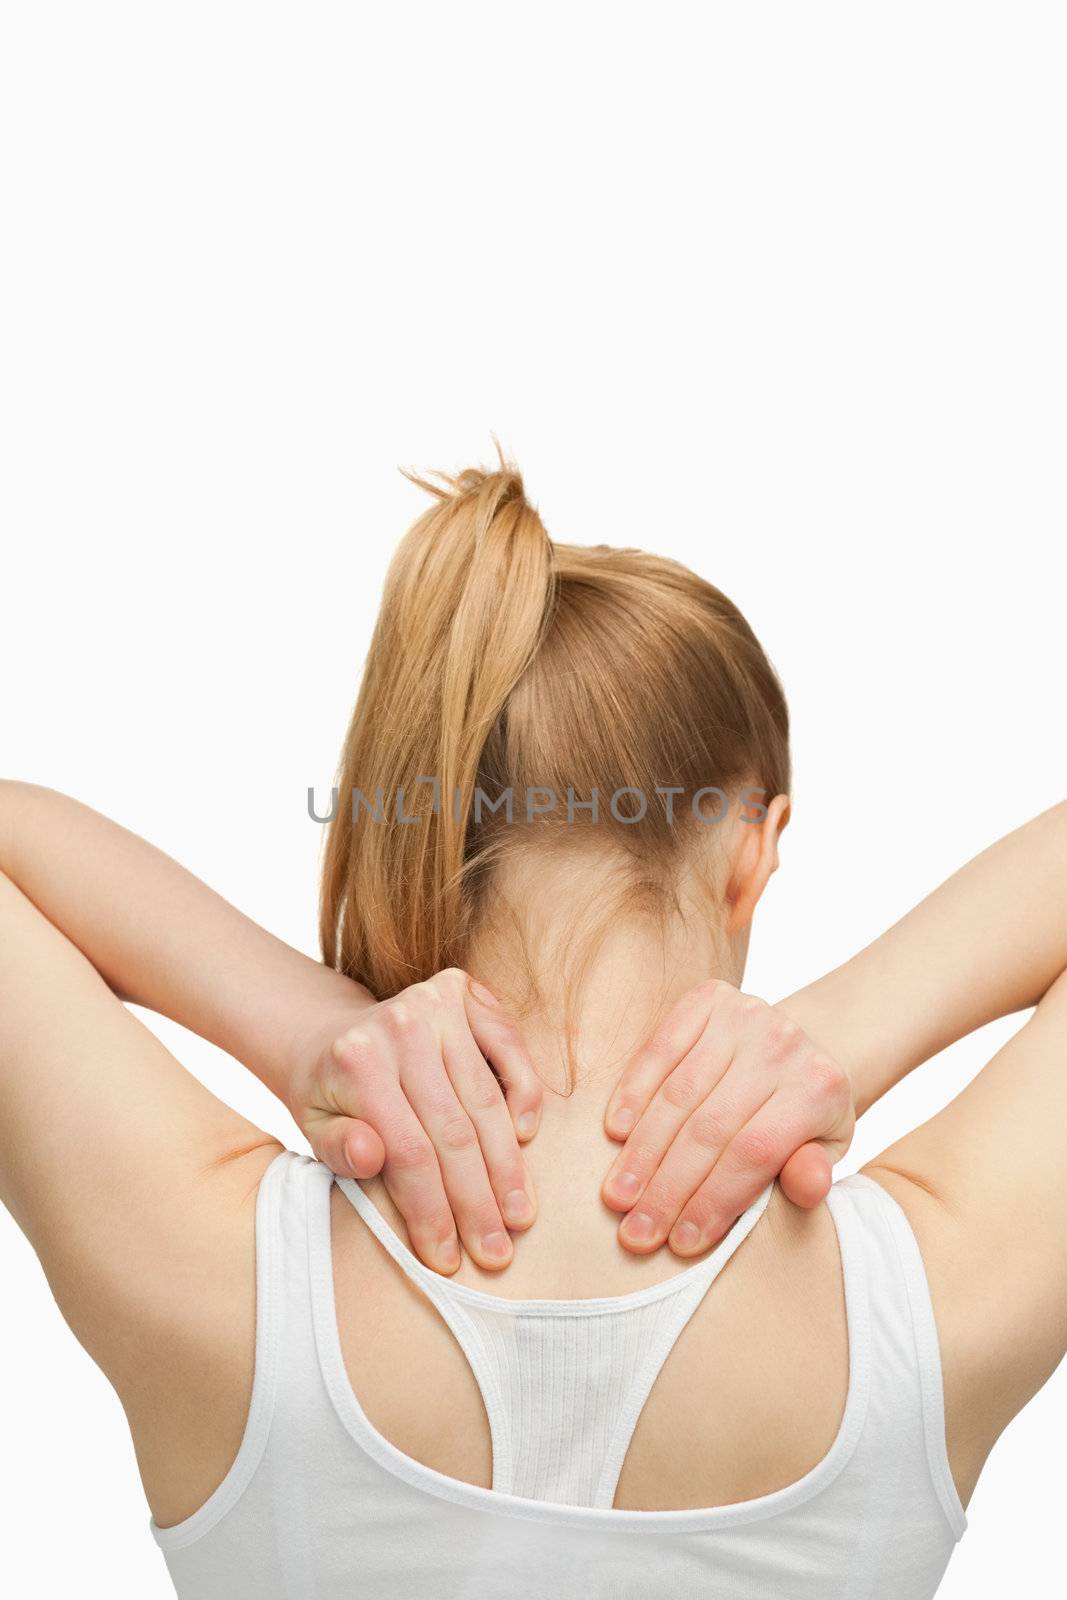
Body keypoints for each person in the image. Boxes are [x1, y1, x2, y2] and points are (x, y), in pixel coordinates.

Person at [0, 460, 1063, 1600]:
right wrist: (842, 1027)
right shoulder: (917, 1302)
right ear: (754, 848)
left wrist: (301, 1022)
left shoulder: (223, 1275)